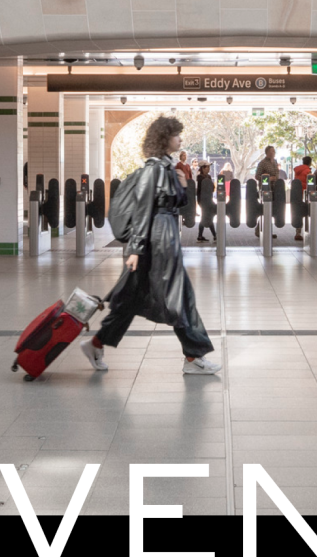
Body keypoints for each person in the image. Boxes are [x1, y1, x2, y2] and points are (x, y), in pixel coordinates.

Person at [83, 115, 220, 375]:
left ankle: (96, 343)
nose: (180, 139)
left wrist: (180, 186)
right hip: (156, 243)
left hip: (161, 239)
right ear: (164, 138)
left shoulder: (167, 167)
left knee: (131, 299)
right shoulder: (154, 169)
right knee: (179, 297)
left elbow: (172, 203)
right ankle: (193, 357)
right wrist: (134, 249)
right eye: (176, 135)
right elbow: (145, 208)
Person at [253, 145, 280, 238]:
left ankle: (266, 229)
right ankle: (261, 230)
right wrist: (268, 178)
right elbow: (257, 176)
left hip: (274, 188)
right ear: (267, 152)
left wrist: (275, 178)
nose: (273, 153)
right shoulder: (262, 163)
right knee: (265, 209)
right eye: (272, 151)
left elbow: (277, 173)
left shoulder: (275, 162)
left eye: (274, 151)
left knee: (270, 210)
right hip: (265, 189)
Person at [292, 155, 312, 242]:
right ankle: (308, 231)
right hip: (305, 194)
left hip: (297, 194)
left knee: (298, 212)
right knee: (307, 211)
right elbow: (310, 183)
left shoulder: (297, 170)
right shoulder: (308, 171)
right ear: (310, 163)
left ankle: (298, 232)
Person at [195, 160, 214, 242]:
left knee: (205, 216)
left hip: (209, 199)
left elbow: (212, 188)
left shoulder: (209, 177)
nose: (209, 169)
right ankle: (215, 235)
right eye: (207, 167)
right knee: (207, 217)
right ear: (203, 168)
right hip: (203, 200)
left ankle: (200, 235)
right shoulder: (199, 177)